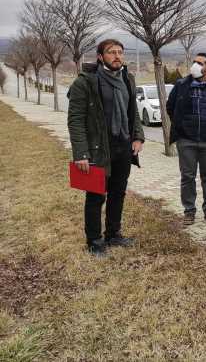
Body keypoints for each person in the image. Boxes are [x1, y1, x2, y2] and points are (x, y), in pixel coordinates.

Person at [67, 39, 144, 256]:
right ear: (101, 57)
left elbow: (133, 112)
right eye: (111, 52)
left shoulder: (128, 79)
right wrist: (81, 153)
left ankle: (113, 234)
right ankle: (94, 241)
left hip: (123, 147)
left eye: (120, 52)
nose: (117, 56)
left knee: (118, 193)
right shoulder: (85, 82)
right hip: (97, 149)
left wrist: (137, 136)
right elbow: (75, 119)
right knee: (95, 195)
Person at [166, 53, 206, 225]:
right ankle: (189, 211)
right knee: (187, 176)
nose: (194, 65)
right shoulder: (181, 85)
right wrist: (182, 127)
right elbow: (170, 107)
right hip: (186, 140)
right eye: (194, 61)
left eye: (199, 63)